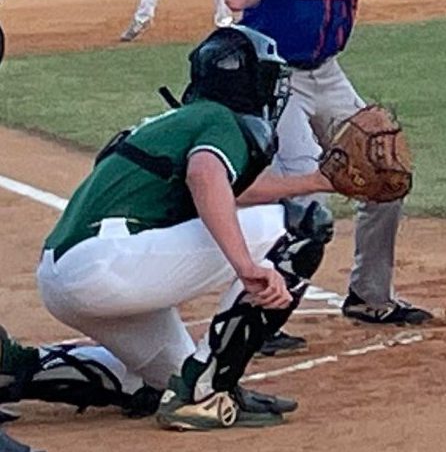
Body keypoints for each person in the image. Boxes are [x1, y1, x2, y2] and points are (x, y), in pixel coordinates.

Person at [0, 26, 335, 432]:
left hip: (68, 275)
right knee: (301, 226)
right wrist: (246, 265)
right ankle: (208, 393)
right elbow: (206, 175)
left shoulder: (182, 120)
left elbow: (225, 188)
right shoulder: (220, 118)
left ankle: (13, 368)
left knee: (161, 383)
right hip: (110, 264)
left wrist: (315, 181)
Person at [227, 0, 432, 340]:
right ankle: (256, 313)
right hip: (274, 78)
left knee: (385, 171)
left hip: (327, 72)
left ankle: (369, 297)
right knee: (303, 193)